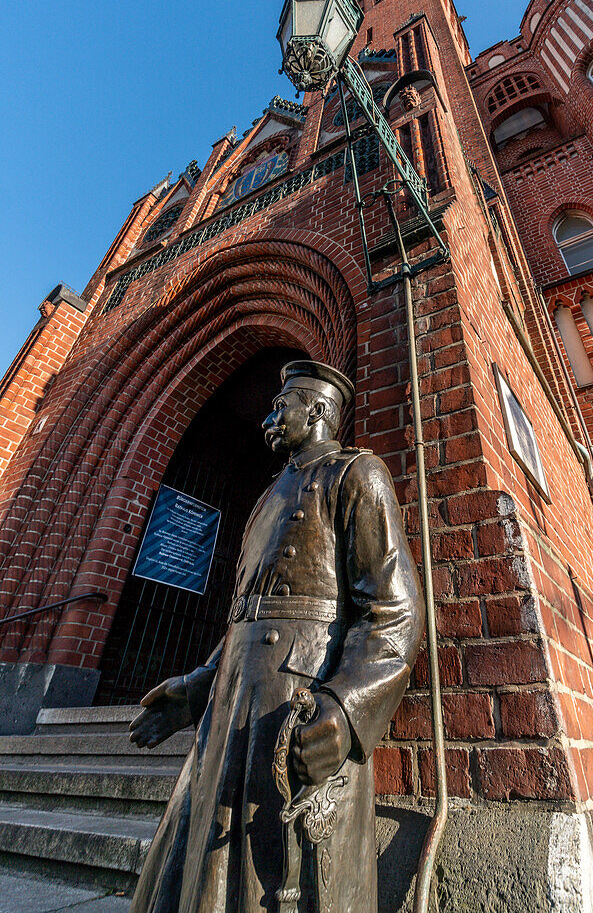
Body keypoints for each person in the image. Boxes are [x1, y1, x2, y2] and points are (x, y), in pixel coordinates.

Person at [129, 360, 425, 912]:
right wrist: (198, 687)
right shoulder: (268, 495)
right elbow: (249, 613)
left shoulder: (357, 474)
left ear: (315, 410)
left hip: (296, 699)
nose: (269, 415)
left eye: (280, 404)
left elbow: (394, 610)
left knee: (276, 876)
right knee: (195, 870)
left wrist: (346, 705)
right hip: (232, 702)